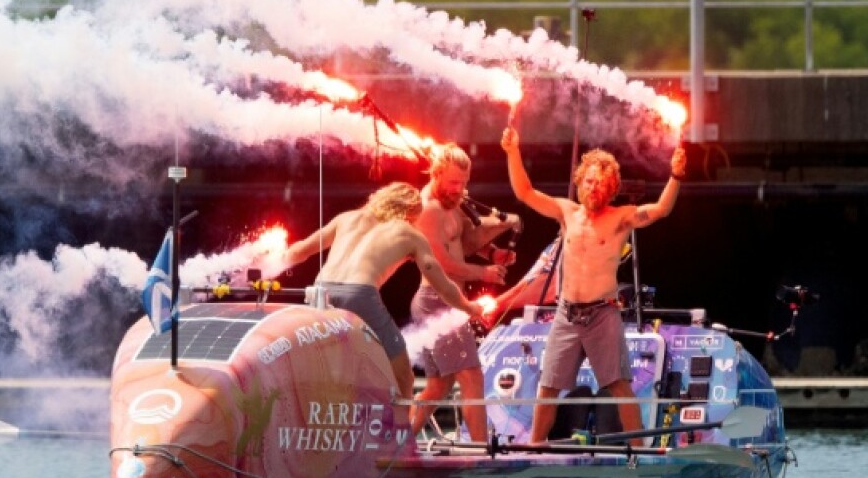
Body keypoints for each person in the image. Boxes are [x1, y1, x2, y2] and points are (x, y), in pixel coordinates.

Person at [501, 123, 686, 443]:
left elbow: (660, 210)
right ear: (579, 182)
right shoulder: (566, 212)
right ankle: (534, 448)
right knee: (548, 385)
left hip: (602, 314)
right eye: (589, 181)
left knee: (619, 386)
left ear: (612, 188)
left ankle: (637, 452)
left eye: (601, 183)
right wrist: (512, 151)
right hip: (567, 314)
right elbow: (525, 192)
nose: (594, 188)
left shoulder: (621, 218)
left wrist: (676, 176)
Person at [280, 181, 483, 401]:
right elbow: (442, 285)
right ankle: (400, 432)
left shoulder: (348, 218)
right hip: (359, 294)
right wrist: (468, 306)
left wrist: (272, 262)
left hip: (319, 292)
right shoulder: (409, 234)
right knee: (403, 374)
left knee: (329, 367)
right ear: (411, 212)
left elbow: (299, 251)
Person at [409, 143, 522, 443]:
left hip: (445, 302)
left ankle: (399, 442)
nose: (459, 189)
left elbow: (464, 240)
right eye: (453, 182)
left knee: (438, 385)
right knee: (471, 376)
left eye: (463, 183)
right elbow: (441, 264)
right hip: (437, 301)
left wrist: (493, 253)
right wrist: (483, 273)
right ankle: (481, 451)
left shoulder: (449, 203)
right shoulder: (428, 209)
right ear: (436, 174)